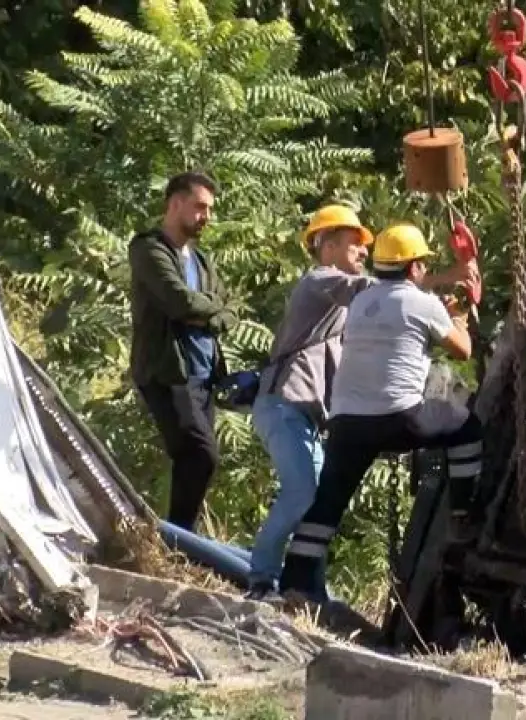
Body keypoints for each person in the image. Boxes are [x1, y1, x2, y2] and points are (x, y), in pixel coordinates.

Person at [248, 213, 477, 600]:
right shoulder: (321, 281)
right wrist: (456, 297)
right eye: (353, 241)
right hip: (287, 405)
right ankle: (261, 580)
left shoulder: (356, 304)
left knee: (323, 502)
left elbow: (388, 295)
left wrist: (439, 286)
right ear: (326, 245)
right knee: (304, 494)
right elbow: (444, 333)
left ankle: (302, 589)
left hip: (334, 420)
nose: (362, 249)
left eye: (367, 246)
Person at [129, 171, 235, 531]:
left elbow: (230, 307)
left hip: (203, 376)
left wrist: (206, 314)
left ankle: (176, 540)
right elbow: (177, 302)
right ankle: (178, 540)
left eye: (209, 209)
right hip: (169, 372)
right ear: (175, 203)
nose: (206, 216)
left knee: (194, 462)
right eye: (200, 207)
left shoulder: (202, 261)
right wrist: (209, 310)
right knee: (202, 455)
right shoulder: (148, 248)